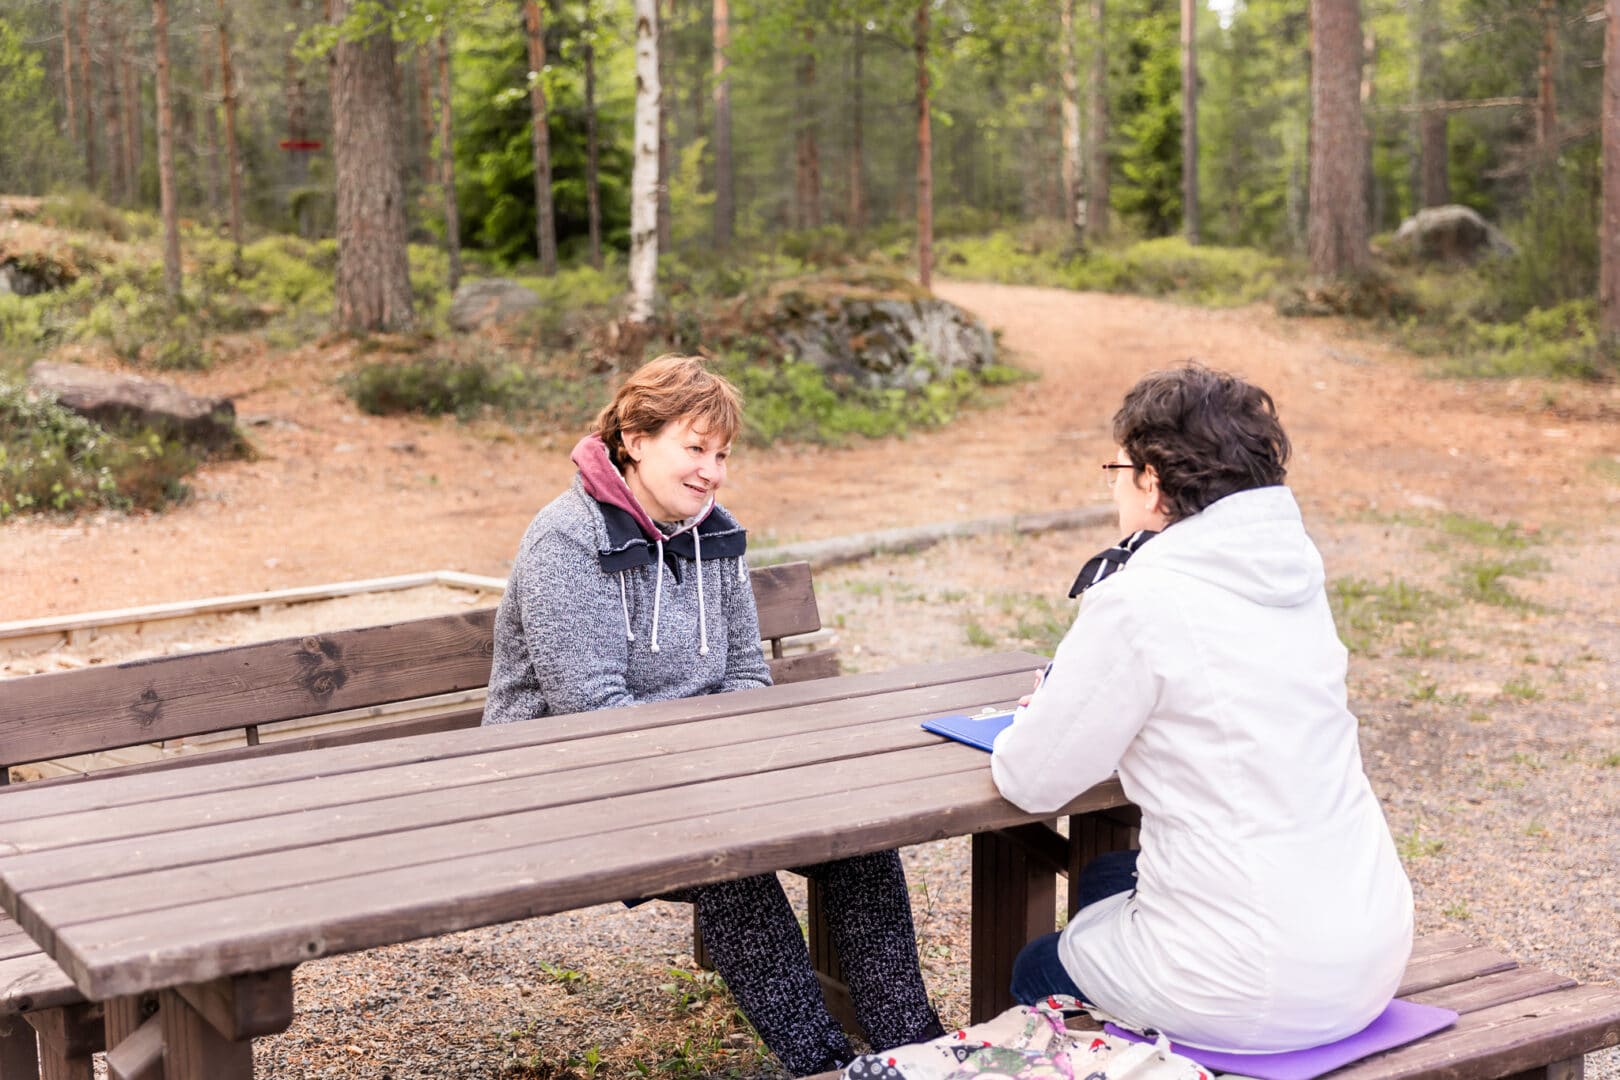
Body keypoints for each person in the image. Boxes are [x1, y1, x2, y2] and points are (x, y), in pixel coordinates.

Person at [483, 353, 943, 1076]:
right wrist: (716, 781)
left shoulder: (714, 532)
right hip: (568, 782)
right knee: (732, 861)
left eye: (722, 454)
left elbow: (744, 675)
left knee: (860, 839)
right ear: (634, 439)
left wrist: (732, 772)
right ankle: (821, 1064)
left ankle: (919, 1053)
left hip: (699, 775)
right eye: (694, 448)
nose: (711, 471)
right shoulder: (565, 542)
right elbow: (591, 713)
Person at [991, 364, 1413, 1054]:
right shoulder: (1292, 574)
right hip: (1369, 947)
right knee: (1104, 876)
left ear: (1152, 482)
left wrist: (1044, 712)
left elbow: (1030, 780)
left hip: (1249, 988)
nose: (1113, 484)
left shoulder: (1140, 598)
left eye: (1118, 468)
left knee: (1035, 965)